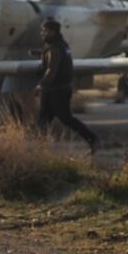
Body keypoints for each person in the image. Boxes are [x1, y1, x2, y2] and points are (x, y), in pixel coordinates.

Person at [35, 18, 98, 153]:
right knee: (43, 120)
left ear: (51, 32)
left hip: (55, 90)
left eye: (44, 31)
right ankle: (39, 149)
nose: (42, 33)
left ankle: (92, 138)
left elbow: (52, 69)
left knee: (65, 119)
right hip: (59, 89)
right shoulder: (62, 45)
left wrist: (41, 84)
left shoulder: (54, 48)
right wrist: (41, 54)